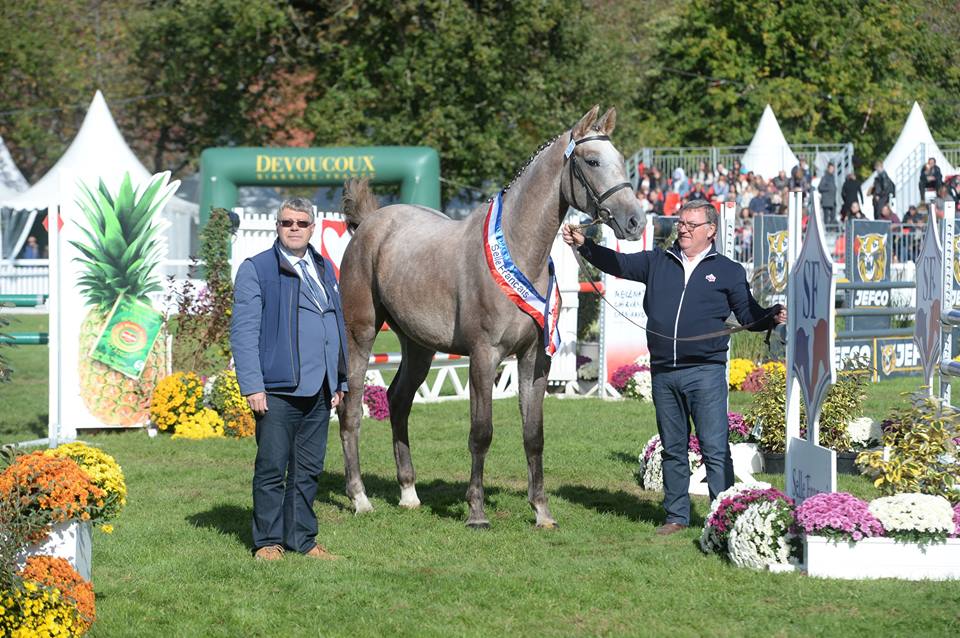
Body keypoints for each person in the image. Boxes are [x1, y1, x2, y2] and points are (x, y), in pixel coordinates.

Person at [562, 200, 786, 535]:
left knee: (714, 447)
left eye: (691, 224)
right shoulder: (657, 261)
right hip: (664, 371)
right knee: (673, 447)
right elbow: (619, 263)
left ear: (710, 231)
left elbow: (748, 314)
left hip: (706, 371)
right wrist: (586, 245)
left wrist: (771, 315)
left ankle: (720, 517)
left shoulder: (728, 271)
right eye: (680, 222)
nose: (682, 229)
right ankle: (676, 516)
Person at [231, 197, 348, 561]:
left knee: (309, 470)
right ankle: (267, 541)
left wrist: (340, 380)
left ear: (313, 227)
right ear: (277, 227)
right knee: (271, 468)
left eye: (301, 222)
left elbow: (335, 324)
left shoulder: (324, 267)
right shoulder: (258, 269)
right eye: (287, 222)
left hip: (320, 388)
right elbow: (244, 332)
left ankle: (302, 539)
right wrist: (252, 386)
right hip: (277, 390)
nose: (294, 228)